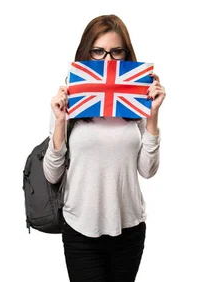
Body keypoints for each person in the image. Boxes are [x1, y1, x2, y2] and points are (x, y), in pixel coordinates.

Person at [43, 14, 165, 282]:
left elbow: (147, 170)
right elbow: (52, 175)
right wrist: (61, 121)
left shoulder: (137, 105)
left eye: (116, 52)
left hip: (129, 227)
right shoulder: (68, 102)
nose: (108, 61)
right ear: (86, 53)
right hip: (80, 228)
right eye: (98, 51)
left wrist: (153, 115)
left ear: (126, 54)